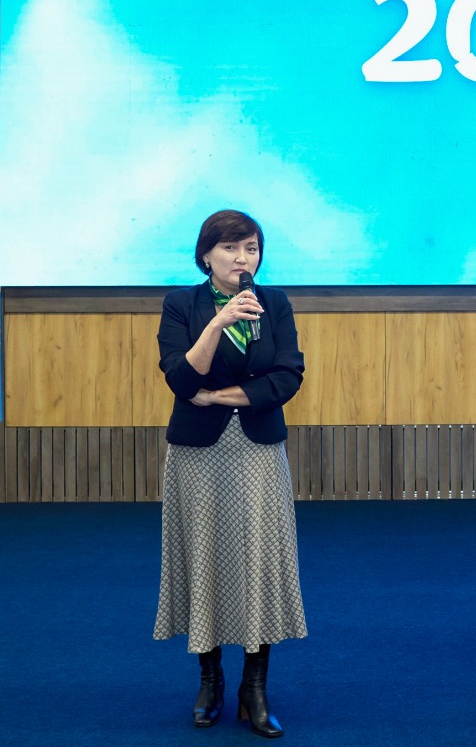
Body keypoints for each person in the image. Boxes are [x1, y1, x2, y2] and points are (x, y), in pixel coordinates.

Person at [154, 209, 306, 737]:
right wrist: (219, 323)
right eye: (231, 248)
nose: (243, 259)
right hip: (199, 454)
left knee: (258, 559)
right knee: (206, 558)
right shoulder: (182, 304)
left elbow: (287, 376)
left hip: (258, 449)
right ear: (206, 255)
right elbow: (180, 378)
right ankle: (210, 681)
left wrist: (219, 396)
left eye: (252, 248)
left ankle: (254, 689)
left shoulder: (274, 303)